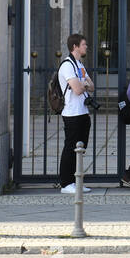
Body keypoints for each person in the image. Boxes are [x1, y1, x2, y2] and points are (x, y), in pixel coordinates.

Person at [57, 33, 95, 194]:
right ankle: (66, 183)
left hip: (83, 112)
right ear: (75, 47)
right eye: (84, 44)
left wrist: (83, 84)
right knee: (70, 148)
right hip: (72, 113)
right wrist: (83, 84)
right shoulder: (67, 65)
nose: (86, 47)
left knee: (80, 149)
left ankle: (76, 181)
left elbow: (91, 85)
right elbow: (78, 89)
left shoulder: (79, 64)